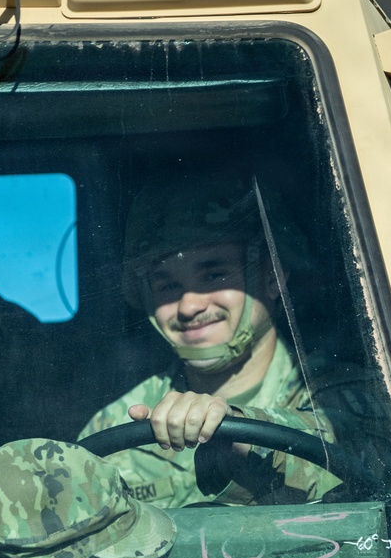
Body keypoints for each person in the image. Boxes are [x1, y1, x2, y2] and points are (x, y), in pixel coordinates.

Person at [79, 173, 343, 507]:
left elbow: (357, 455)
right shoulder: (116, 425)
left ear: (272, 277)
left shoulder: (337, 400)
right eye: (167, 286)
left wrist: (238, 432)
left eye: (214, 275)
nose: (189, 306)